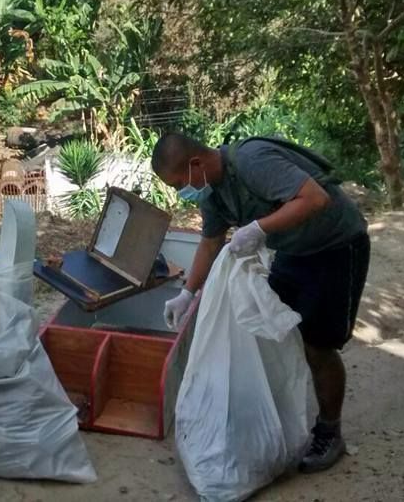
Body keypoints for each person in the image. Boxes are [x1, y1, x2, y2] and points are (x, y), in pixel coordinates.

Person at [152, 133, 370, 473]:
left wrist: (258, 227)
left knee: (318, 345)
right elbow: (210, 242)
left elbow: (315, 198)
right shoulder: (212, 193)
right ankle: (285, 419)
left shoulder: (253, 161)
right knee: (274, 332)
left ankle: (330, 432)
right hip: (292, 250)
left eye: (180, 182)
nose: (182, 191)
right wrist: (187, 293)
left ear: (196, 164)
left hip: (335, 246)